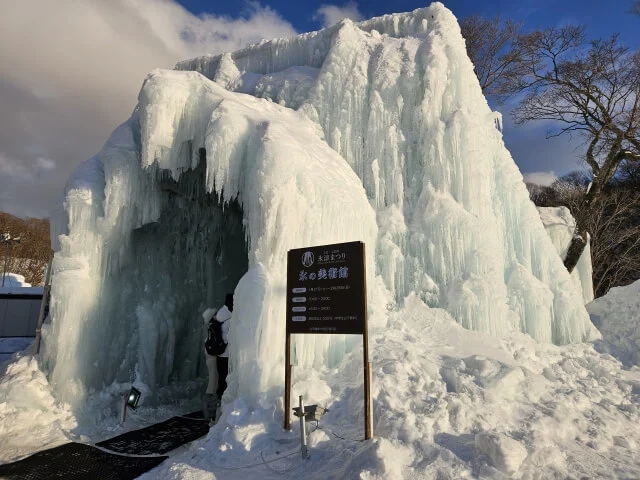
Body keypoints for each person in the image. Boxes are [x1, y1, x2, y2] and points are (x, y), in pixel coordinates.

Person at [201, 293, 233, 419]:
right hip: (225, 355)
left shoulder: (220, 313)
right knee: (223, 382)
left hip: (219, 354)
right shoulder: (229, 317)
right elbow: (229, 335)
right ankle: (218, 409)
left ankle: (214, 408)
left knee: (219, 381)